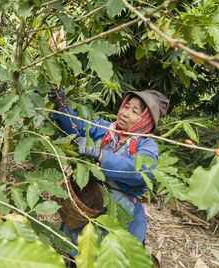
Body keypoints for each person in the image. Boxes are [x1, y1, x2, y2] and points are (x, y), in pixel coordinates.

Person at [48, 88, 169, 248]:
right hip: (91, 202)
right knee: (81, 250)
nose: (125, 113)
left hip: (119, 211)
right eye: (126, 106)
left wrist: (100, 155)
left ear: (146, 120)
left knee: (110, 254)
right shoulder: (107, 129)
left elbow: (140, 171)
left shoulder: (147, 144)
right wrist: (62, 106)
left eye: (135, 111)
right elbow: (77, 127)